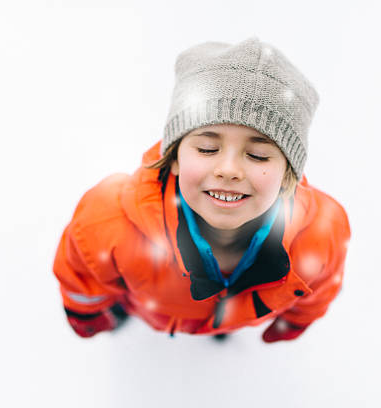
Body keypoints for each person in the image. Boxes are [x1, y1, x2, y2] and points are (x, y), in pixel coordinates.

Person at [52, 37, 351, 343]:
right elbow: (81, 278)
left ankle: (223, 319)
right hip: (150, 309)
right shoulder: (104, 221)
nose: (229, 170)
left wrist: (294, 323)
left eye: (258, 155)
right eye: (208, 148)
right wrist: (88, 316)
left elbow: (320, 292)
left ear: (288, 173)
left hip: (233, 317)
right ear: (175, 157)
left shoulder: (324, 233)